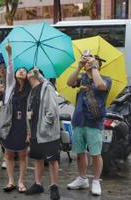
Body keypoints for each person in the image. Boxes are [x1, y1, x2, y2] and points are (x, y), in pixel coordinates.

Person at [66, 51, 111, 196]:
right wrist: (79, 67)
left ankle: (96, 181)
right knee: (79, 153)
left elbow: (100, 85)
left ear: (99, 65)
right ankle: (82, 178)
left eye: (91, 61)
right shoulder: (82, 79)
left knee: (95, 154)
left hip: (94, 122)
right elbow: (69, 82)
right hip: (79, 120)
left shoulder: (105, 79)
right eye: (87, 61)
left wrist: (94, 68)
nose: (88, 63)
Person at [25, 68, 61, 200]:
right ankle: (38, 184)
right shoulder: (31, 91)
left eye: (30, 71)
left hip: (47, 132)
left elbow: (52, 111)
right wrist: (29, 131)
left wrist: (45, 127)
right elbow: (29, 113)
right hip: (35, 132)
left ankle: (54, 186)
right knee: (38, 158)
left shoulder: (46, 87)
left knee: (52, 160)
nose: (28, 73)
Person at [1, 43, 31, 193]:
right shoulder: (10, 86)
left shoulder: (30, 90)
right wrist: (10, 54)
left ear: (27, 76)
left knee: (23, 154)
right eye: (20, 69)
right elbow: (10, 70)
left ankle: (21, 181)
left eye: (24, 70)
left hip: (23, 125)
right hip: (9, 124)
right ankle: (11, 180)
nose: (21, 70)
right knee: (9, 153)